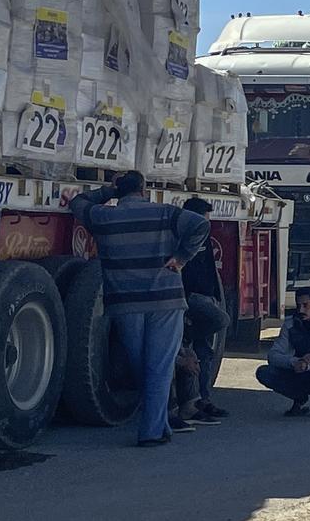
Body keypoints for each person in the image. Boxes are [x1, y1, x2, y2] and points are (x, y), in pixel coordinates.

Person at [70, 170, 210, 447]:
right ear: (144, 189)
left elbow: (77, 202)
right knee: (158, 365)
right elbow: (200, 226)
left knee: (141, 364)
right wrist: (181, 258)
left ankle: (159, 425)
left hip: (126, 302)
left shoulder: (103, 217)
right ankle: (152, 431)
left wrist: (108, 192)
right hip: (165, 300)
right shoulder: (165, 213)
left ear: (119, 191)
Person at [181, 197, 231, 419]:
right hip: (192, 298)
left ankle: (203, 400)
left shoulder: (205, 237)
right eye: (204, 218)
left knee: (204, 353)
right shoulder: (184, 238)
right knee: (221, 320)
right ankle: (188, 333)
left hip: (207, 297)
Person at [256, 287, 310, 417]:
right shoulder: (290, 324)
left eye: (305, 305)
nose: (301, 310)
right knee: (264, 372)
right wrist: (295, 362)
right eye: (298, 305)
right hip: (297, 371)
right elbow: (273, 355)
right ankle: (299, 398)